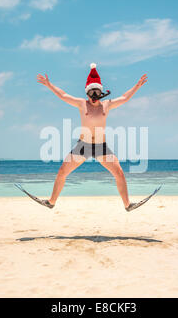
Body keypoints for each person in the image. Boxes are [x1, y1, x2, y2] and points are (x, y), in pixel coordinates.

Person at [36, 63, 147, 211]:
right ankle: (51, 202)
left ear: (101, 93)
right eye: (91, 93)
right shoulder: (82, 104)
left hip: (101, 147)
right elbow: (63, 95)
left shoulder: (106, 105)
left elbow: (124, 98)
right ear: (87, 93)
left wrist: (137, 86)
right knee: (62, 171)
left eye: (97, 93)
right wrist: (49, 85)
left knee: (119, 172)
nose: (94, 97)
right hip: (83, 146)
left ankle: (128, 205)